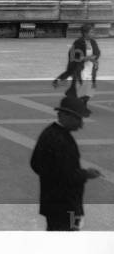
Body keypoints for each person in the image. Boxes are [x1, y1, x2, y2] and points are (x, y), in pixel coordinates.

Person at [30, 90, 101, 230]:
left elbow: (35, 164)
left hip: (53, 202)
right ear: (65, 116)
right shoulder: (60, 140)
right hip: (65, 204)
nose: (80, 123)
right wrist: (86, 174)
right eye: (78, 118)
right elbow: (66, 176)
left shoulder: (50, 132)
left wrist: (49, 176)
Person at [53, 24, 101, 90]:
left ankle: (91, 83)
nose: (93, 34)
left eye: (93, 32)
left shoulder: (93, 41)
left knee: (92, 70)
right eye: (91, 32)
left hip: (89, 62)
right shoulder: (78, 42)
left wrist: (93, 57)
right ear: (85, 33)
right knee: (71, 72)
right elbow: (72, 53)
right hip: (77, 62)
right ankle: (57, 81)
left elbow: (97, 52)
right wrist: (81, 59)